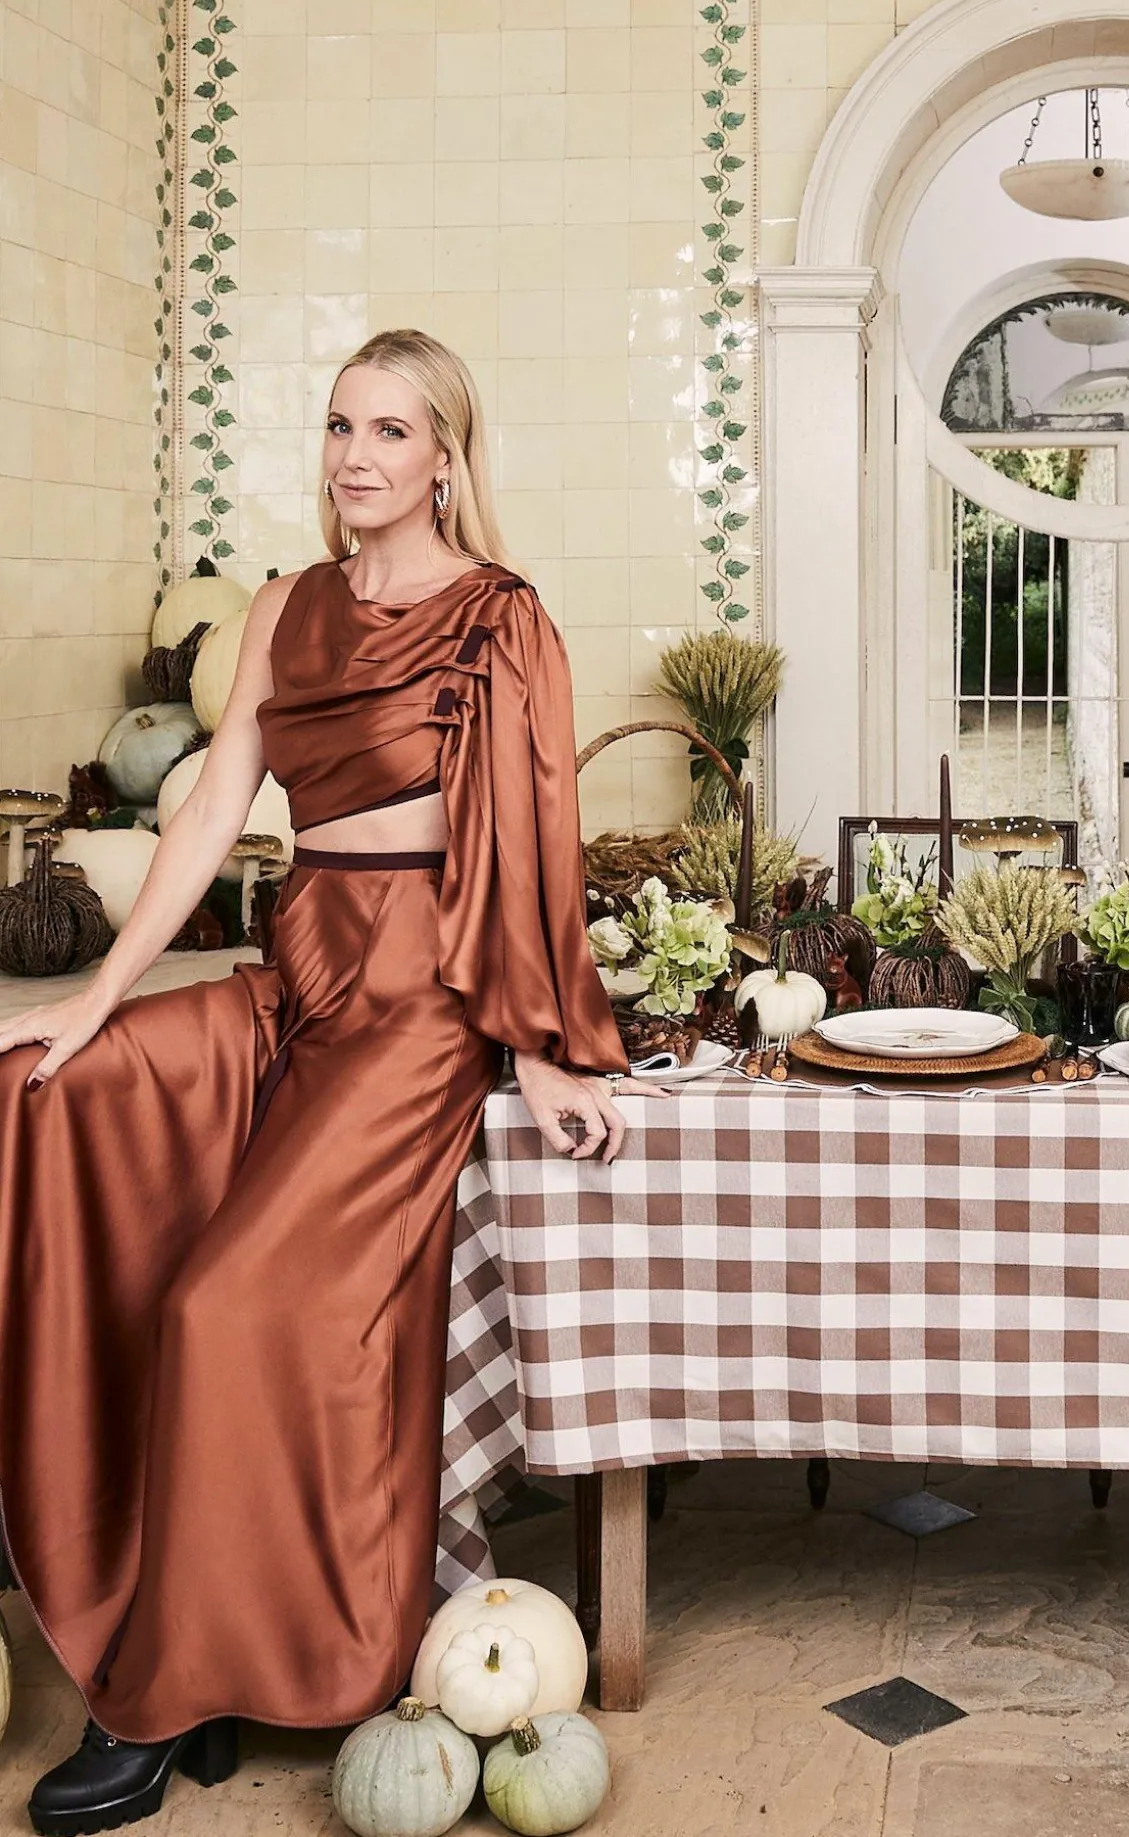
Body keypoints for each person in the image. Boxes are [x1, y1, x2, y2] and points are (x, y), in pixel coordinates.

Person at [0, 329, 662, 1837]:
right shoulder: (291, 607)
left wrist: (546, 1044)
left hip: (420, 1005)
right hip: (297, 979)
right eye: (339, 426)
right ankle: (68, 1506)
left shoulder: (500, 619)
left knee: (224, 1306)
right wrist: (99, 1000)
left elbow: (531, 841)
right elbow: (217, 808)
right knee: (40, 1094)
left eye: (391, 430)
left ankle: (165, 1692)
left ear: (446, 459)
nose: (356, 455)